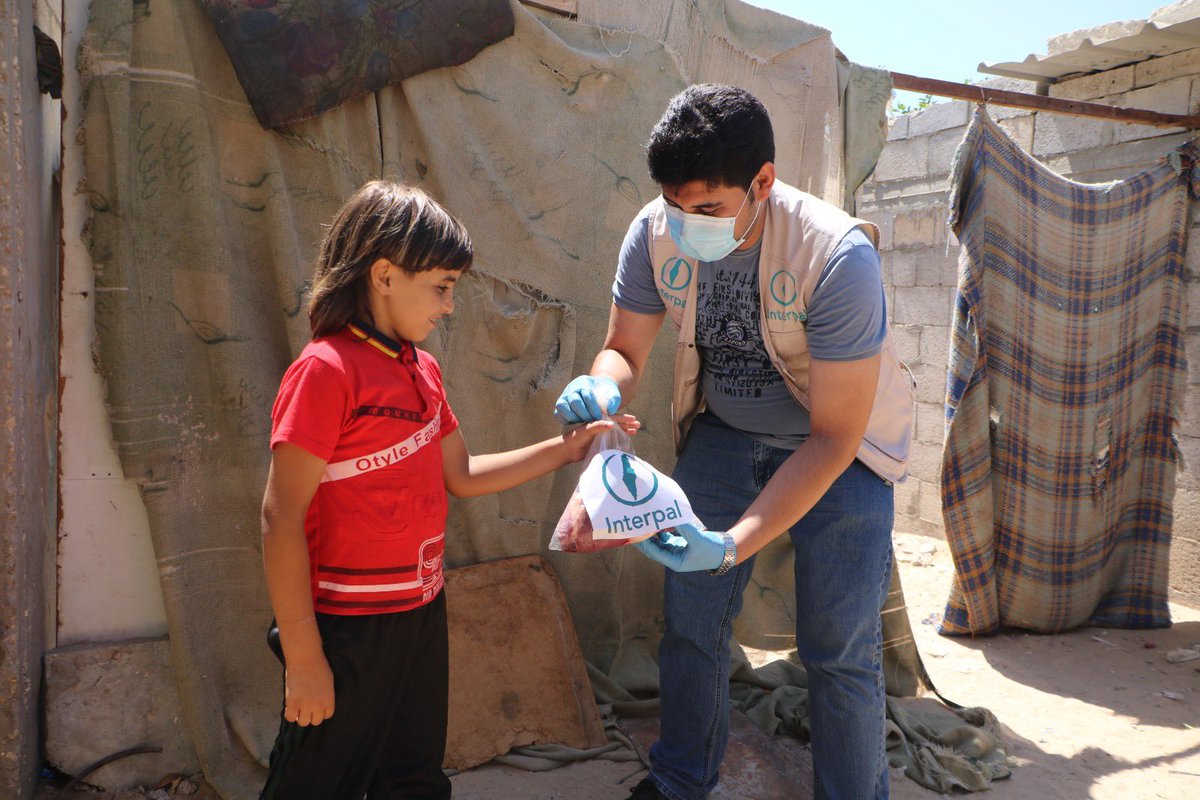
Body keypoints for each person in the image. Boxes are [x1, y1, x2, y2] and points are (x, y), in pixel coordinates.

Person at [554, 84, 913, 800]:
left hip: (842, 451)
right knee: (691, 623)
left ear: (763, 181)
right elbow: (622, 348)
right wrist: (602, 385)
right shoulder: (654, 231)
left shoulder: (836, 256)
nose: (688, 225)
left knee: (839, 648)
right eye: (676, 205)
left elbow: (834, 437)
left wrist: (733, 542)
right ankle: (683, 780)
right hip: (727, 432)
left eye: (710, 209)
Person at [259, 180, 637, 800]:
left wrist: (566, 449)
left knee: (413, 778)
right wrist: (303, 658)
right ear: (383, 275)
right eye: (441, 287)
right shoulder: (325, 370)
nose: (448, 306)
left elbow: (460, 477)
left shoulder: (421, 369)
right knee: (315, 781)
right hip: (347, 627)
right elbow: (280, 518)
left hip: (420, 612)